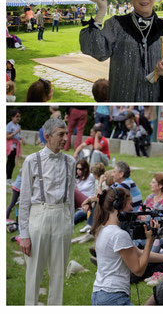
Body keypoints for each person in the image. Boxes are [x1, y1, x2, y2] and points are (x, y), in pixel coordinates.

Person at [80, 0, 163, 102]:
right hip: (122, 100)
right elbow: (98, 51)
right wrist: (101, 12)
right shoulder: (117, 25)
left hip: (155, 102)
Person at [18, 118, 76, 305]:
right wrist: (24, 234)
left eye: (66, 134)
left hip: (62, 217)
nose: (65, 138)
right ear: (48, 136)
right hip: (39, 216)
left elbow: (70, 197)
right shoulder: (31, 161)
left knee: (58, 273)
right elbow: (24, 200)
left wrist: (70, 224)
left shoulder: (70, 162)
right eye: (61, 134)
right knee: (34, 271)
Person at [90, 186, 163, 305]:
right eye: (130, 204)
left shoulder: (102, 229)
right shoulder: (119, 235)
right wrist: (149, 241)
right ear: (118, 205)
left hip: (99, 294)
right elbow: (138, 270)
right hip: (114, 297)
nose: (132, 208)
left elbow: (139, 253)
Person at [73, 159, 93, 224]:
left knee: (74, 190)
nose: (78, 171)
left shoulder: (91, 177)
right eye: (77, 169)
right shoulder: (76, 179)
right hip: (79, 203)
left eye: (80, 169)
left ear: (85, 169)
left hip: (88, 200)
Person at [7, 109, 22, 181]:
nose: (18, 118)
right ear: (12, 117)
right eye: (17, 116)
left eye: (19, 116)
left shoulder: (18, 125)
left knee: (12, 162)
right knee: (11, 162)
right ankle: (8, 178)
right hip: (11, 146)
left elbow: (18, 135)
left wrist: (21, 138)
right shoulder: (9, 125)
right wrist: (16, 132)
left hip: (16, 146)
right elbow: (7, 137)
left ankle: (9, 178)